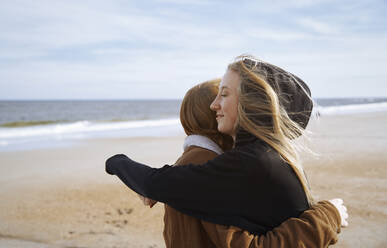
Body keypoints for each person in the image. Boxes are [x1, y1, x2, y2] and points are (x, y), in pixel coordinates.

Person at [106, 55, 348, 246]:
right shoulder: (268, 156)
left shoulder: (248, 163)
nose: (214, 105)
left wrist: (116, 162)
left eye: (224, 94)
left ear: (250, 103)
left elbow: (155, 183)